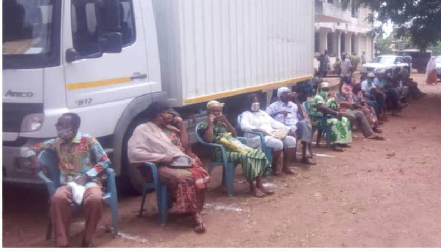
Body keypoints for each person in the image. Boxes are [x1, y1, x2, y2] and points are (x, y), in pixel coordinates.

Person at [24, 113, 110, 247]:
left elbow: (105, 161)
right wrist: (34, 160)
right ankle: (62, 242)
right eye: (59, 125)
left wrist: (87, 176)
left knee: (95, 199)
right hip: (67, 183)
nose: (62, 128)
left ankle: (87, 239)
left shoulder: (88, 140)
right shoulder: (56, 142)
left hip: (90, 182)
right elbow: (31, 148)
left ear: (76, 126)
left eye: (66, 125)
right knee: (57, 199)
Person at [127, 101, 210, 233]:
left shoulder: (170, 130)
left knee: (201, 173)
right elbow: (135, 152)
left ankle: (194, 208)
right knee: (185, 177)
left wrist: (181, 125)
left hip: (175, 163)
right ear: (158, 115)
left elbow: (185, 146)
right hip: (155, 167)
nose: (170, 117)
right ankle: (196, 216)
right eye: (167, 114)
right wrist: (161, 158)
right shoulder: (143, 129)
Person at [197, 100, 272, 197]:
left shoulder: (222, 124)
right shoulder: (205, 125)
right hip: (220, 151)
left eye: (218, 111)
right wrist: (210, 123)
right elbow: (209, 139)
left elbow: (234, 135)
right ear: (209, 112)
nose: (216, 113)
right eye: (213, 111)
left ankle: (259, 184)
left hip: (234, 148)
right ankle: (252, 187)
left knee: (257, 153)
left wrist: (226, 121)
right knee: (247, 157)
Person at [239, 94, 296, 175]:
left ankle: (285, 167)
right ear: (249, 103)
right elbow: (244, 126)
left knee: (291, 141)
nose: (256, 103)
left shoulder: (263, 113)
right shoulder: (246, 114)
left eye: (257, 101)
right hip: (256, 137)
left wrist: (288, 129)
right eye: (253, 101)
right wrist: (259, 129)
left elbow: (274, 123)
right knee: (278, 144)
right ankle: (274, 167)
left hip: (271, 134)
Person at [267, 87, 316, 165]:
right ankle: (289, 157)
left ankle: (305, 155)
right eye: (285, 94)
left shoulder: (293, 105)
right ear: (280, 96)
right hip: (282, 127)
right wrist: (279, 113)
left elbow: (302, 116)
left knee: (305, 123)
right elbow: (266, 117)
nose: (288, 95)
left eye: (289, 93)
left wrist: (296, 100)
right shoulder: (274, 106)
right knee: (292, 131)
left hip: (295, 127)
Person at [308, 81, 352, 150]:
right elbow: (321, 107)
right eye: (324, 90)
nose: (326, 91)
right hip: (318, 119)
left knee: (344, 119)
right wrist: (335, 113)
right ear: (319, 90)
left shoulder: (325, 98)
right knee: (335, 122)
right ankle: (334, 144)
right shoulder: (318, 97)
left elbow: (328, 108)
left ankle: (342, 142)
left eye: (327, 90)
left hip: (325, 117)